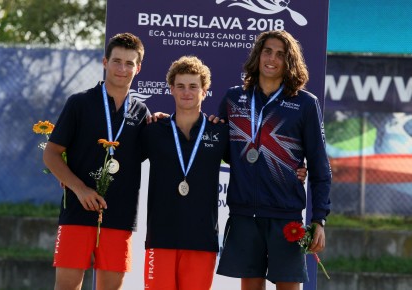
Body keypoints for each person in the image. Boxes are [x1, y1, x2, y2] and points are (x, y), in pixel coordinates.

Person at [216, 30, 332, 290]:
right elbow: (223, 152)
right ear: (258, 55)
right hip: (245, 214)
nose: (272, 58)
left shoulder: (304, 103)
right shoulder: (234, 98)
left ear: (289, 61)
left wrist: (319, 220)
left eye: (280, 54)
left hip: (285, 215)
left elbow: (319, 165)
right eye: (267, 51)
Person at [43, 32, 150, 290]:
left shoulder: (141, 113)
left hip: (120, 215)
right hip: (78, 211)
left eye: (129, 63)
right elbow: (51, 153)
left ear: (138, 67)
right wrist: (79, 189)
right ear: (105, 62)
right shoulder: (79, 103)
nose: (122, 69)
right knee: (67, 286)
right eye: (116, 61)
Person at [140, 55, 230, 290]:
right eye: (180, 86)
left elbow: (251, 165)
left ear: (205, 90)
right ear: (171, 89)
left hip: (202, 240)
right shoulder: (153, 129)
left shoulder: (219, 132)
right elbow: (121, 160)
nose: (186, 92)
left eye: (193, 86)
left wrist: (298, 171)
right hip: (160, 238)